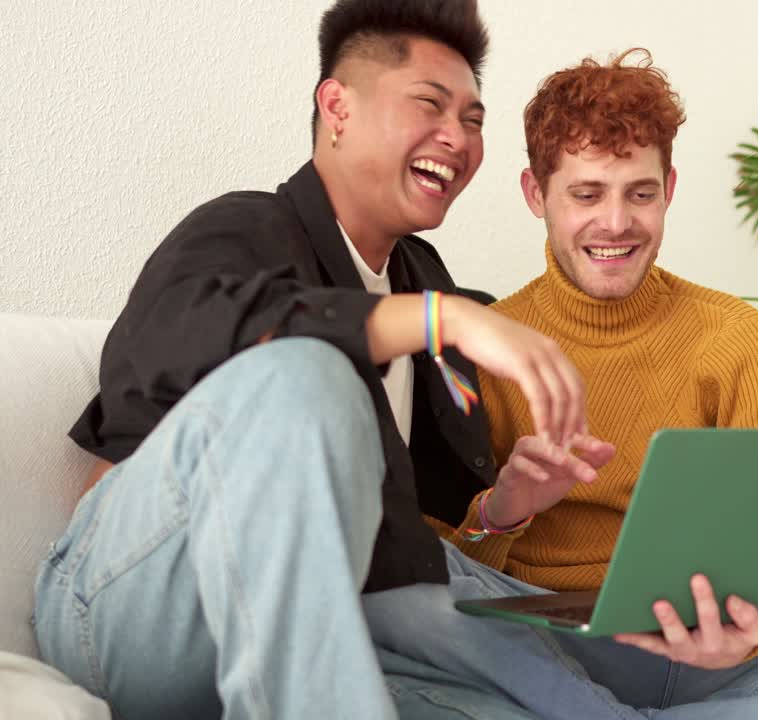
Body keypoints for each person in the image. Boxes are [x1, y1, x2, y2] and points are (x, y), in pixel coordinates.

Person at [365, 49, 758, 719]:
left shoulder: (738, 337)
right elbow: (439, 569)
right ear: (537, 194)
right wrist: (503, 510)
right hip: (542, 653)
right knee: (380, 579)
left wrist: (746, 635)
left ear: (668, 189)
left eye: (639, 194)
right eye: (587, 194)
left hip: (714, 657)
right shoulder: (484, 343)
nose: (615, 223)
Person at [32, 2, 587, 718]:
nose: (457, 137)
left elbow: (418, 552)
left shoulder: (427, 279)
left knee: (586, 678)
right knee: (312, 370)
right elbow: (171, 336)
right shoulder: (245, 227)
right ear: (337, 107)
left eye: (474, 119)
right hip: (130, 603)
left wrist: (500, 513)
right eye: (429, 104)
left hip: (324, 620)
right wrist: (433, 318)